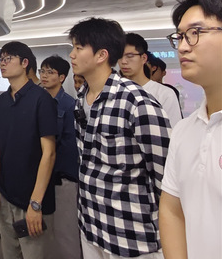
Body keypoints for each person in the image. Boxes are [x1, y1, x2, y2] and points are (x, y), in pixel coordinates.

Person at [69, 18, 171, 259]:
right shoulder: (81, 98)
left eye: (78, 48)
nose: (72, 55)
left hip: (131, 234)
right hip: (91, 225)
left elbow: (165, 176)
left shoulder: (137, 102)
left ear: (101, 55)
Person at [159, 0, 222, 259]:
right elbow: (172, 209)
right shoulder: (184, 131)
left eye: (195, 33)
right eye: (180, 36)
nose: (183, 47)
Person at [0, 41, 57, 259]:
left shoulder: (41, 99)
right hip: (5, 195)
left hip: (32, 199)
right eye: (0, 59)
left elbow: (49, 153)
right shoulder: (2, 100)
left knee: (34, 254)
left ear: (25, 63)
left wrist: (35, 203)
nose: (2, 63)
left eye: (8, 59)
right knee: (9, 254)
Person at [38, 55, 81, 259]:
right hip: (41, 176)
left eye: (50, 72)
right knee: (44, 231)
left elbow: (69, 148)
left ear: (62, 77)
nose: (44, 76)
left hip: (62, 177)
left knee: (65, 231)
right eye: (42, 71)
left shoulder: (69, 105)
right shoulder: (39, 102)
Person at [119, 32, 182, 127]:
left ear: (144, 58)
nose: (123, 61)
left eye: (130, 56)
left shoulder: (164, 94)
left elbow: (174, 129)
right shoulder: (114, 92)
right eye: (119, 56)